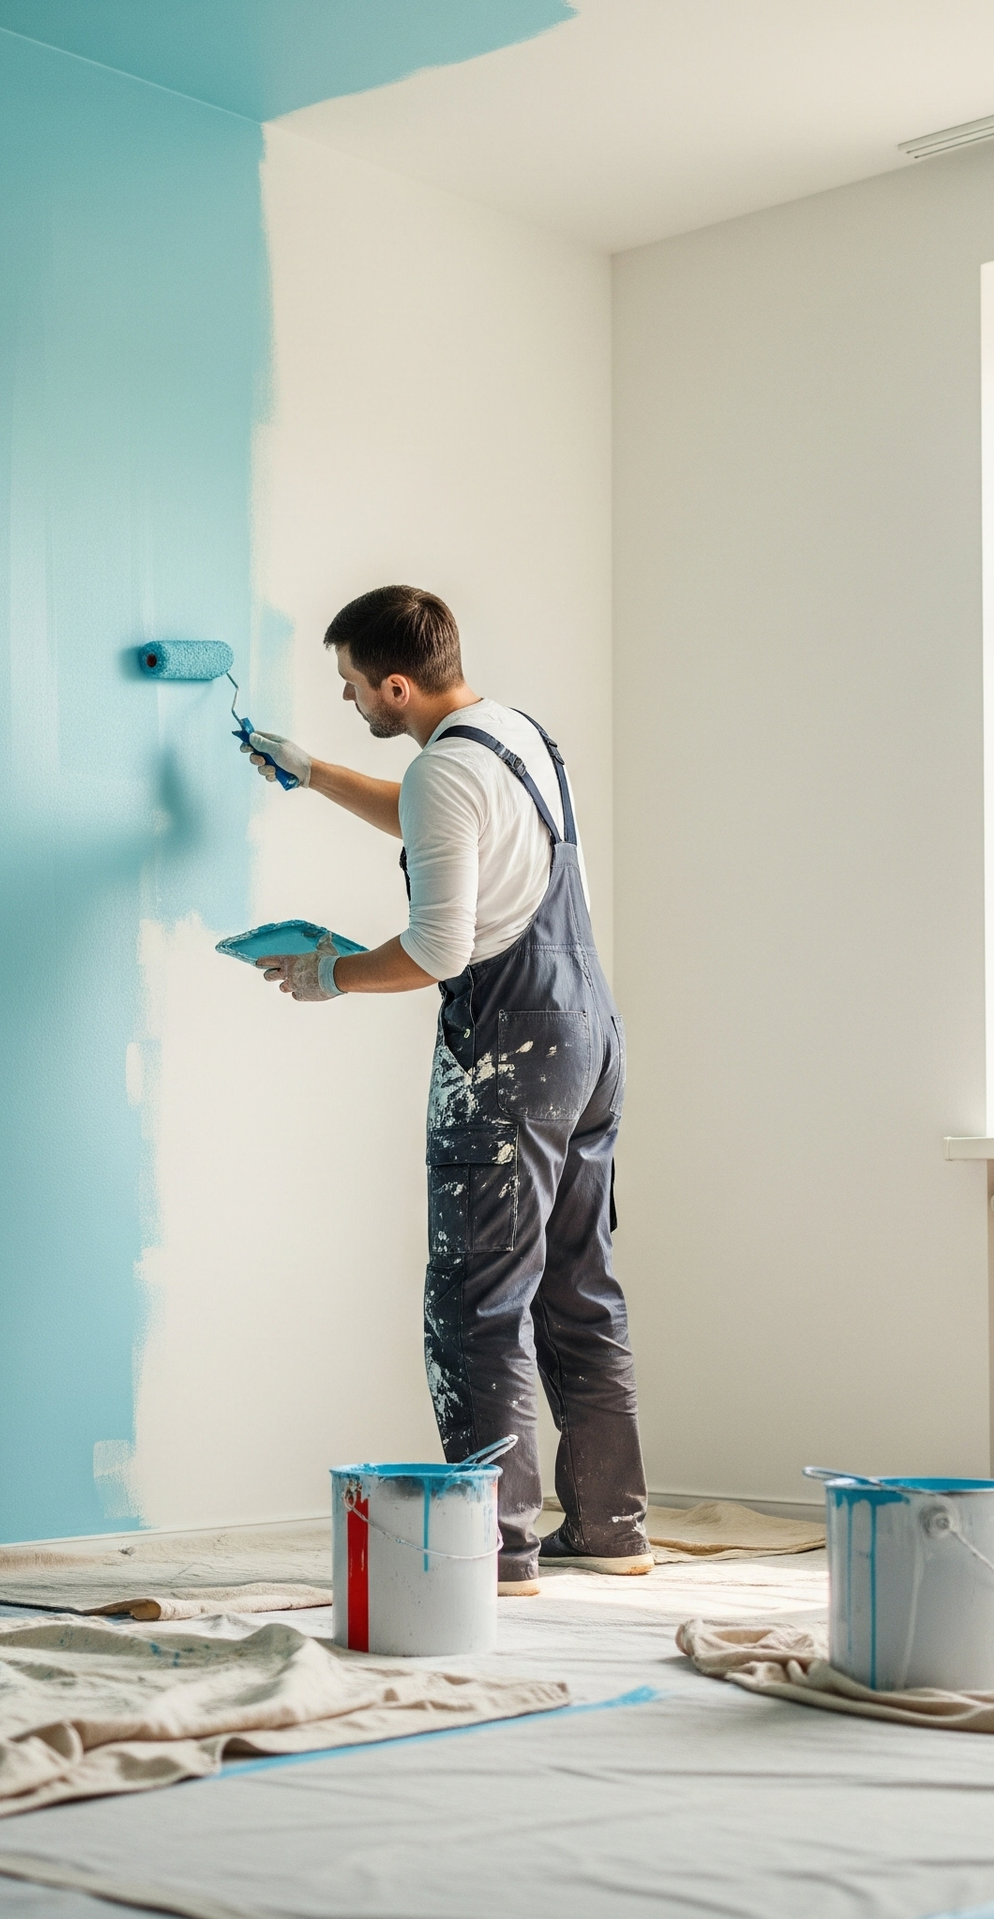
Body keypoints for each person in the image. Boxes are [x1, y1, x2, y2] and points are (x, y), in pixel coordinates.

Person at [244, 584, 650, 1595]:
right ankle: (612, 1528)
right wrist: (311, 772)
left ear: (396, 685)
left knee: (477, 1298)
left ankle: (496, 1548)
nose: (349, 701)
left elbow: (437, 948)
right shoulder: (515, 736)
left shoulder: (441, 773)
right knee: (579, 1286)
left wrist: (327, 974)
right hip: (589, 1037)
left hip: (511, 1050)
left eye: (352, 686)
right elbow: (437, 819)